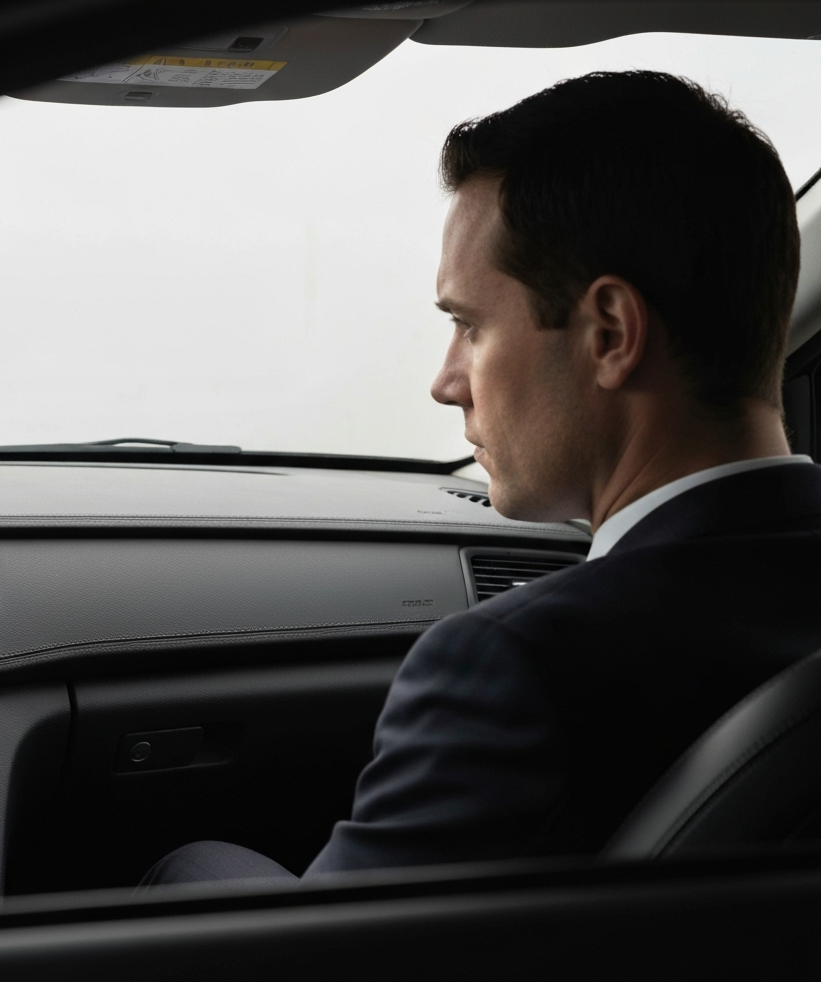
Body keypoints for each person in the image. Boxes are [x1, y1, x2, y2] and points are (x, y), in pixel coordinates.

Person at [140, 69, 821, 886]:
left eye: (469, 326)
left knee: (193, 866)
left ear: (609, 332)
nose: (446, 380)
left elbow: (321, 979)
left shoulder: (511, 670)